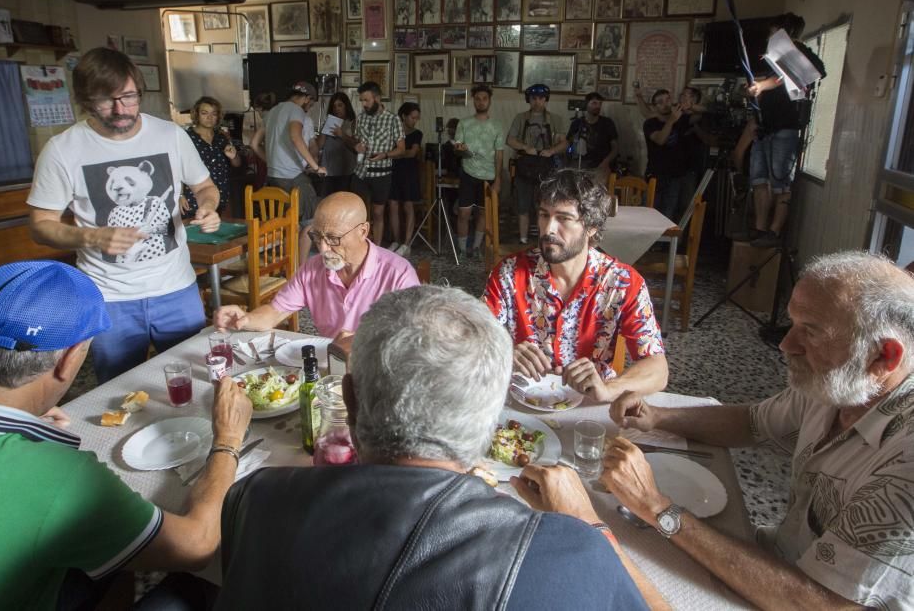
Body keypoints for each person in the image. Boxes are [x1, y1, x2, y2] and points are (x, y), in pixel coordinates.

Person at [216, 285, 666, 610]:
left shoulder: (252, 497)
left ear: (349, 403)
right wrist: (592, 525)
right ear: (492, 422)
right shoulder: (566, 551)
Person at [0, 261, 253, 610]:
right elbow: (197, 545)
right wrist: (228, 440)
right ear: (69, 359)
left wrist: (25, 418)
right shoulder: (57, 474)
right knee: (196, 588)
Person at [602, 251, 914, 609]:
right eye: (792, 324)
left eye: (810, 332)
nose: (785, 345)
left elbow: (819, 604)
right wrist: (657, 417)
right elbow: (753, 423)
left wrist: (657, 508)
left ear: (883, 357)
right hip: (779, 561)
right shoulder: (839, 383)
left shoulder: (906, 467)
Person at [28, 47, 219, 383]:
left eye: (129, 97)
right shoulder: (62, 150)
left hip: (177, 289)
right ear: (86, 100)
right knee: (121, 389)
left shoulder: (171, 135)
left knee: (197, 380)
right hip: (108, 298)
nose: (121, 109)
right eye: (107, 100)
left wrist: (208, 205)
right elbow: (41, 226)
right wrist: (90, 236)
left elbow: (205, 186)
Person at [484, 168, 668, 402]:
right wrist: (504, 352)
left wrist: (610, 388)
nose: (549, 229)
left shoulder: (622, 283)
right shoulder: (509, 274)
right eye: (544, 215)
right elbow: (472, 340)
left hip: (588, 409)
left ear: (591, 227)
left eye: (563, 218)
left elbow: (657, 369)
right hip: (518, 405)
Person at [214, 191, 418, 338]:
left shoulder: (398, 275)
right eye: (317, 237)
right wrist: (246, 319)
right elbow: (276, 311)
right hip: (329, 366)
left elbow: (414, 342)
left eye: (333, 238)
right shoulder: (313, 269)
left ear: (363, 231)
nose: (323, 249)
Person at [745, 13, 826, 248]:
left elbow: (812, 74)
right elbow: (767, 80)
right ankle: (759, 229)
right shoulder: (771, 58)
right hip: (764, 126)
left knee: (781, 182)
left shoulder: (801, 56)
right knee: (759, 179)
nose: (770, 37)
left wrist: (762, 85)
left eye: (774, 32)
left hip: (785, 127)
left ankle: (774, 231)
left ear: (785, 33)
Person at [253, 81, 324, 263]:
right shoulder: (296, 111)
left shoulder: (273, 111)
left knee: (287, 222)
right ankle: (299, 270)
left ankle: (287, 265)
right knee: (310, 221)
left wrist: (273, 162)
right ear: (307, 98)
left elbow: (254, 143)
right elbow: (295, 136)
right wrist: (315, 167)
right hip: (292, 177)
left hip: (273, 177)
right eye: (311, 102)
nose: (310, 106)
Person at [507, 83, 567, 244]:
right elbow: (510, 140)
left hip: (547, 167)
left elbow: (564, 143)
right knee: (523, 204)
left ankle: (544, 238)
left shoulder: (555, 119)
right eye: (534, 98)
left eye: (541, 98)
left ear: (546, 99)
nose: (537, 101)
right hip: (525, 167)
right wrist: (526, 147)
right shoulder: (520, 118)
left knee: (545, 205)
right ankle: (523, 239)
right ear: (529, 99)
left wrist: (551, 151)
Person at [453, 84, 506, 259]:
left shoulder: (497, 125)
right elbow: (457, 149)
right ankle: (462, 249)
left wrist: (498, 179)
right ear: (473, 101)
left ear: (489, 101)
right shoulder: (464, 123)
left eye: (484, 98)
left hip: (489, 176)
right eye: (477, 98)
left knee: (483, 213)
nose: (481, 102)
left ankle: (475, 247)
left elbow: (499, 154)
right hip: (468, 173)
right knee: (464, 213)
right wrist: (460, 148)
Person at [351, 81, 405, 245]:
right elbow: (356, 141)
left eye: (366, 100)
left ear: (377, 98)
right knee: (358, 213)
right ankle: (359, 246)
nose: (364, 104)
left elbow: (401, 149)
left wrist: (385, 154)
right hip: (360, 172)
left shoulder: (393, 119)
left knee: (378, 212)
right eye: (361, 100)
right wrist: (357, 146)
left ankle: (376, 248)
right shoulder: (360, 118)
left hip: (381, 173)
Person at [179, 96, 242, 217]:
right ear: (196, 114)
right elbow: (177, 167)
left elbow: (237, 164)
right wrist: (179, 195)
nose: (209, 117)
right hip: (194, 197)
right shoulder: (186, 137)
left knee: (221, 231)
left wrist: (234, 157)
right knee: (196, 232)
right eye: (204, 113)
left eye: (214, 114)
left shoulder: (221, 138)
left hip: (221, 195)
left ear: (218, 116)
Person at [642, 88, 699, 222]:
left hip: (675, 176)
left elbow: (703, 114)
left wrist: (690, 106)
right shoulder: (650, 123)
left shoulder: (682, 119)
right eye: (660, 102)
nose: (666, 104)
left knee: (668, 214)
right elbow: (660, 140)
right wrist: (671, 121)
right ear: (655, 107)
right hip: (655, 175)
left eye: (668, 100)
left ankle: (664, 243)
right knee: (649, 212)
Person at [386, 102, 423, 258]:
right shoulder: (392, 132)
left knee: (408, 206)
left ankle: (407, 243)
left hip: (409, 172)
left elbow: (412, 153)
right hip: (393, 171)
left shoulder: (417, 134)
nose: (415, 120)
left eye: (416, 118)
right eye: (412, 117)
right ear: (404, 116)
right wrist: (396, 153)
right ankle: (395, 240)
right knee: (393, 205)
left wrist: (395, 152)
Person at [565, 91, 619, 179]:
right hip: (580, 164)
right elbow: (568, 145)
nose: (598, 106)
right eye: (594, 103)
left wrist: (606, 162)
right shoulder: (577, 123)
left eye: (600, 103)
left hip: (601, 165)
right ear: (587, 104)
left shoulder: (607, 123)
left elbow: (615, 148)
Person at [315, 92, 358, 196]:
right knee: (326, 201)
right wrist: (325, 129)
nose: (336, 108)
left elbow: (357, 146)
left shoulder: (353, 122)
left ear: (346, 106)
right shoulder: (329, 122)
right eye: (334, 106)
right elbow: (318, 146)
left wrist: (341, 134)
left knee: (341, 203)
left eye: (340, 105)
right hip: (328, 170)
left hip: (345, 171)